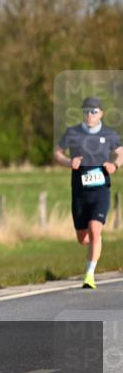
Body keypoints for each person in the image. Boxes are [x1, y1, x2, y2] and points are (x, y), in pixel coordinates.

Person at [54, 96, 122, 289]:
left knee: (95, 229)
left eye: (93, 111)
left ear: (101, 113)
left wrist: (114, 165)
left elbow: (121, 152)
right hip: (79, 191)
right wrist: (69, 162)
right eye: (86, 111)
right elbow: (57, 152)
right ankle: (96, 242)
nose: (89, 115)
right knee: (83, 238)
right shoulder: (72, 133)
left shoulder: (109, 134)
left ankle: (89, 274)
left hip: (101, 190)